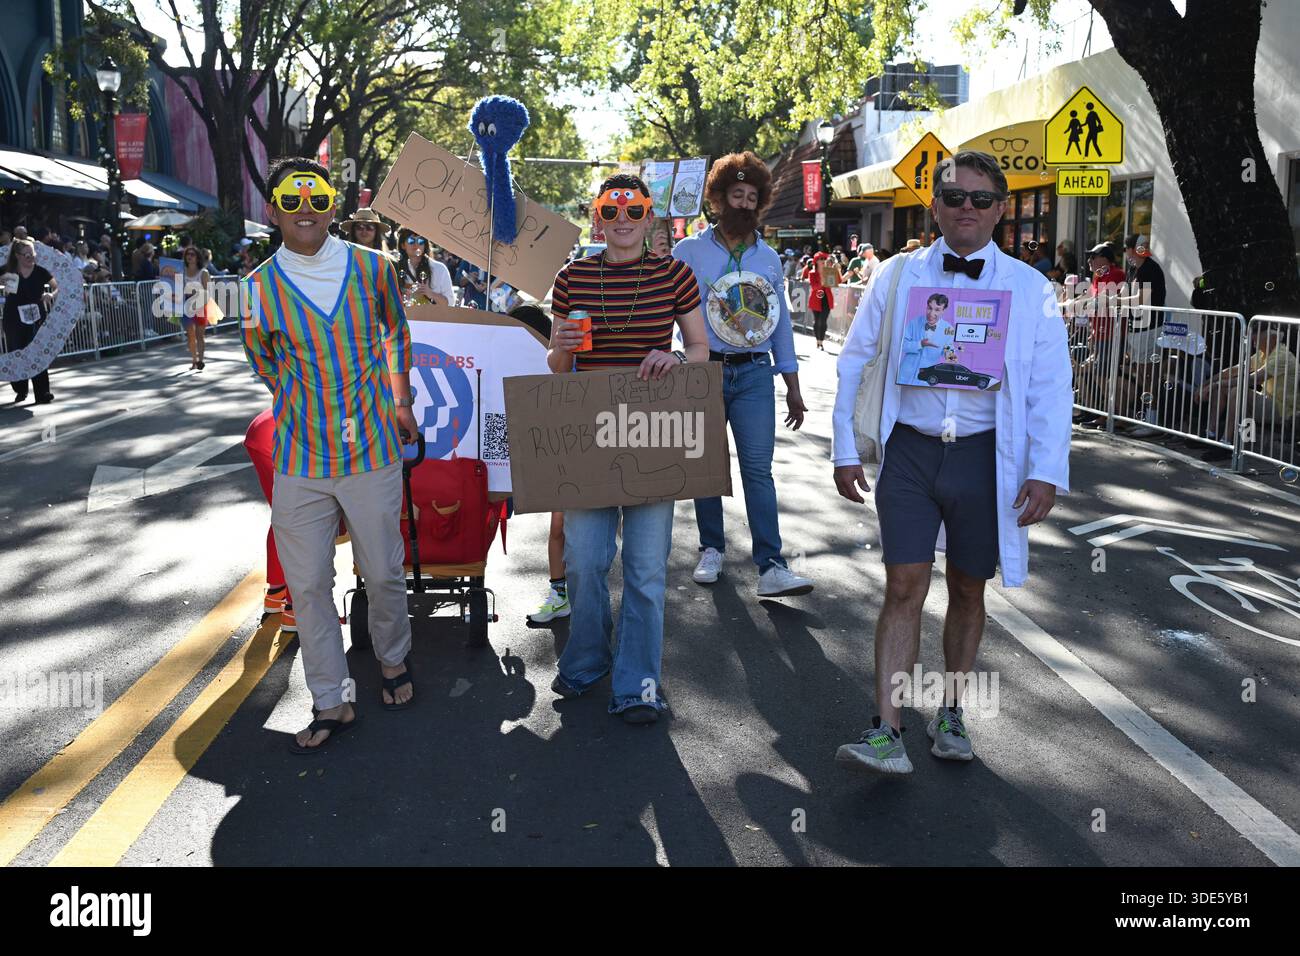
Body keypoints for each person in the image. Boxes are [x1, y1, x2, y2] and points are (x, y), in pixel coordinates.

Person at [830, 150, 1071, 774]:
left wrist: (1046, 469)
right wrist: (844, 447)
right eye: (955, 196)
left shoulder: (1030, 288)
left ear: (1000, 210)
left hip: (986, 459)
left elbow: (1051, 386)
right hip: (908, 451)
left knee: (968, 586)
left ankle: (953, 712)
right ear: (934, 205)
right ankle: (887, 729)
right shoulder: (895, 277)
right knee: (903, 586)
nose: (967, 208)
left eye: (981, 199)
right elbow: (856, 361)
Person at [241, 157, 419, 754]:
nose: (306, 210)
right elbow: (261, 355)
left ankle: (392, 661)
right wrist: (301, 399)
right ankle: (330, 698)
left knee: (384, 569)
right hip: (300, 456)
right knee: (309, 583)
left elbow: (396, 333)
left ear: (332, 204)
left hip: (370, 448)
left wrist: (397, 400)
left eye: (315, 197)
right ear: (272, 211)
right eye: (290, 201)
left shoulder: (374, 268)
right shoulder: (256, 288)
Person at [546, 173, 710, 724]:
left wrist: (681, 360)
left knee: (644, 569)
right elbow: (557, 365)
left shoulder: (675, 274)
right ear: (596, 216)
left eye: (633, 211)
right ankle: (588, 659)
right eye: (610, 212)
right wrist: (562, 348)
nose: (621, 221)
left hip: (652, 433)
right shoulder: (569, 278)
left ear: (648, 216)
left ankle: (638, 681)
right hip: (587, 438)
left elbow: (701, 347)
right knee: (585, 561)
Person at [672, 151, 814, 599]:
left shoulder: (769, 258)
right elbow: (668, 310)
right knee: (707, 469)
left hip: (755, 374)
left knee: (758, 471)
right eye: (737, 195)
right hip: (704, 372)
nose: (745, 204)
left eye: (753, 197)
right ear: (718, 198)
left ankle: (771, 564)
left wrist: (792, 385)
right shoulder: (688, 251)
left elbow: (782, 323)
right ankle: (711, 548)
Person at [1197, 324, 1299, 461]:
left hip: (1284, 409)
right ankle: (1210, 435)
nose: (1253, 339)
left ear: (1271, 338)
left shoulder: (1282, 356)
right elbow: (1234, 370)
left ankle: (1226, 444)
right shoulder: (1262, 354)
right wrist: (1207, 384)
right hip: (1269, 402)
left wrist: (1216, 384)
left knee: (1237, 391)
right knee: (1223, 389)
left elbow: (1252, 379)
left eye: (1257, 334)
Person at [1075, 242, 1127, 429]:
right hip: (1100, 333)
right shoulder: (1098, 277)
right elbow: (1095, 304)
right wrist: (1092, 331)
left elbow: (1108, 302)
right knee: (1099, 375)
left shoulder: (1116, 274)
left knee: (1104, 375)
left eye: (1093, 256)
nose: (1089, 260)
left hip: (1112, 333)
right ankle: (1105, 414)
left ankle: (1118, 415)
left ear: (1105, 258)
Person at [2, 238, 58, 404]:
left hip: (36, 317)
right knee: (17, 353)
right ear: (17, 255)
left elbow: (57, 286)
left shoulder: (41, 271)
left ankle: (43, 393)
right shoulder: (8, 270)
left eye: (32, 253)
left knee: (38, 353)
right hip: (14, 318)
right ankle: (20, 388)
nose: (30, 257)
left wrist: (50, 295)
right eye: (26, 254)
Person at [176, 245, 213, 370]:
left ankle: (200, 360)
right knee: (190, 335)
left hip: (200, 304)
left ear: (197, 257)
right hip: (186, 304)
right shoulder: (182, 272)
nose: (190, 257)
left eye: (192, 254)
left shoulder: (203, 272)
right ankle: (194, 360)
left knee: (200, 335)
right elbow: (178, 289)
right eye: (188, 254)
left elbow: (208, 291)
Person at [396, 230, 453, 306]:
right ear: (403, 245)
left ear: (425, 245)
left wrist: (430, 294)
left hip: (432, 317)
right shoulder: (396, 269)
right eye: (411, 241)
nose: (416, 244)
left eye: (420, 241)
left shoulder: (439, 269)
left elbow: (450, 304)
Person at [801, 250, 838, 350]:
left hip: (827, 298)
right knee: (817, 321)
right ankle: (817, 340)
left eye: (824, 259)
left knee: (823, 320)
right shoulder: (812, 273)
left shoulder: (829, 271)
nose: (823, 260)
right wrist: (822, 277)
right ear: (816, 261)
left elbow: (835, 282)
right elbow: (815, 286)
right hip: (816, 298)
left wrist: (835, 270)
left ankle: (821, 341)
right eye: (820, 259)